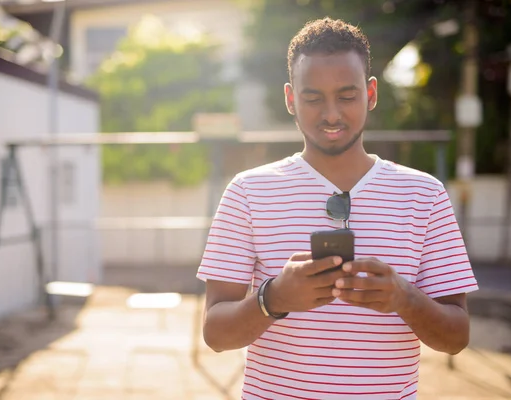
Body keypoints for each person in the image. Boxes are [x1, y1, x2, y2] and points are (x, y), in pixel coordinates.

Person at [196, 17, 478, 400]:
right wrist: (274, 298)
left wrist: (403, 298)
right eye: (313, 98)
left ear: (371, 93)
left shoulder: (424, 195)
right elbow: (215, 334)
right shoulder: (248, 191)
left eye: (347, 96)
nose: (331, 114)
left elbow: (456, 337)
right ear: (290, 99)